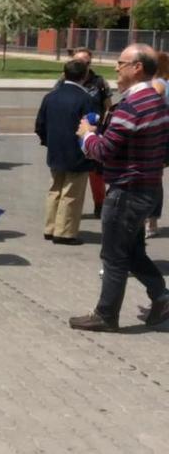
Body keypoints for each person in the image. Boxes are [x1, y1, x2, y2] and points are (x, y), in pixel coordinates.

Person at [70, 44, 169, 332]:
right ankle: (161, 297)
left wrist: (87, 136)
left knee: (114, 256)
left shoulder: (133, 106)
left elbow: (103, 150)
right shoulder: (154, 101)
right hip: (145, 188)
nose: (116, 68)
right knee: (133, 252)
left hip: (127, 191)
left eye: (121, 63)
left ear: (137, 67)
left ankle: (106, 314)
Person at [36, 60, 97, 246]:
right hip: (77, 151)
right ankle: (65, 232)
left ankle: (50, 227)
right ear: (84, 76)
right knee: (72, 192)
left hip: (55, 150)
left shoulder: (51, 96)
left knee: (54, 190)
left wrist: (48, 141)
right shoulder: (86, 99)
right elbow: (91, 126)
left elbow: (40, 124)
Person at [56, 47, 113, 220]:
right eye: (80, 62)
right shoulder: (63, 81)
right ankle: (65, 209)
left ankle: (100, 204)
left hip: (93, 133)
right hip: (70, 135)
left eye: (87, 63)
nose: (85, 66)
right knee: (67, 174)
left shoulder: (99, 82)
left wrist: (104, 129)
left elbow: (109, 107)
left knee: (96, 174)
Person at [145, 52, 169, 237]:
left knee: (150, 179)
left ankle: (150, 221)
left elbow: (148, 106)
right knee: (155, 178)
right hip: (163, 137)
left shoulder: (158, 84)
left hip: (155, 137)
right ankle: (151, 221)